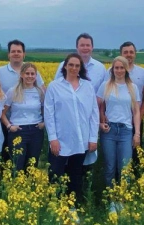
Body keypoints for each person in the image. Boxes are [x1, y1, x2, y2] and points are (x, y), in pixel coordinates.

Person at [45, 53, 99, 203]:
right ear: (65, 66)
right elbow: (49, 115)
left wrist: (93, 138)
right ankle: (54, 206)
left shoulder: (87, 86)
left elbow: (94, 114)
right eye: (71, 65)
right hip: (61, 139)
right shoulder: (54, 86)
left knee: (75, 174)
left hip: (81, 138)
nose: (74, 68)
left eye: (77, 65)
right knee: (55, 173)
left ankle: (72, 207)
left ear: (80, 68)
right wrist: (52, 139)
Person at [54, 33, 107, 167]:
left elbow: (103, 96)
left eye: (87, 45)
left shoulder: (100, 68)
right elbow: (56, 93)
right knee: (62, 161)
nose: (85, 48)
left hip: (88, 121)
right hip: (66, 121)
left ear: (92, 47)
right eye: (82, 45)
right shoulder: (62, 66)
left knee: (82, 162)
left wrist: (100, 120)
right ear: (77, 47)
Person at [97, 56, 141, 189]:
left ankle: (122, 198)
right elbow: (97, 105)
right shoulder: (106, 85)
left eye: (122, 68)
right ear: (112, 69)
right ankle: (111, 198)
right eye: (116, 67)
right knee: (110, 166)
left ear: (126, 69)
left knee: (125, 167)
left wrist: (137, 133)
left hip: (126, 130)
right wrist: (101, 118)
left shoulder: (132, 87)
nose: (119, 70)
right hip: (109, 130)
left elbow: (136, 112)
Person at [2, 63, 45, 171]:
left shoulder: (40, 92)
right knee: (17, 165)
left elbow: (46, 111)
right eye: (27, 73)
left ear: (36, 76)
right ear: (21, 74)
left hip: (36, 131)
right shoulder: (13, 91)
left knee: (32, 166)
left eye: (32, 74)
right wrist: (9, 126)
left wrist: (44, 123)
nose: (30, 76)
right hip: (18, 130)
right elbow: (2, 113)